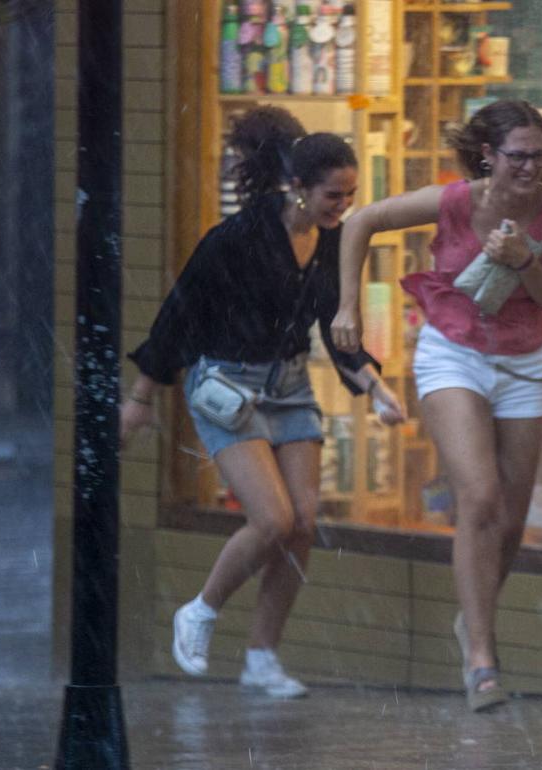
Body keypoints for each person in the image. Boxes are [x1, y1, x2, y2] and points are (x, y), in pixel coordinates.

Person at [119, 106, 404, 698]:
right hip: (226, 386)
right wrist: (141, 397)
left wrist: (376, 387)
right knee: (270, 519)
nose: (342, 207)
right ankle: (199, 610)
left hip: (290, 385)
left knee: (301, 526)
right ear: (298, 188)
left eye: (351, 195)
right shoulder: (235, 239)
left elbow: (336, 325)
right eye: (333, 194)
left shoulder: (330, 243)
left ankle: (261, 657)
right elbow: (179, 313)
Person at [330, 100, 542, 712]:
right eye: (519, 156)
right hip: (454, 353)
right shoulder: (455, 201)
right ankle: (482, 661)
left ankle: (475, 621)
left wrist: (526, 261)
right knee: (480, 498)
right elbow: (360, 221)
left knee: (512, 523)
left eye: (541, 155)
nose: (532, 168)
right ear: (488, 155)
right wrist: (347, 307)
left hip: (525, 359)